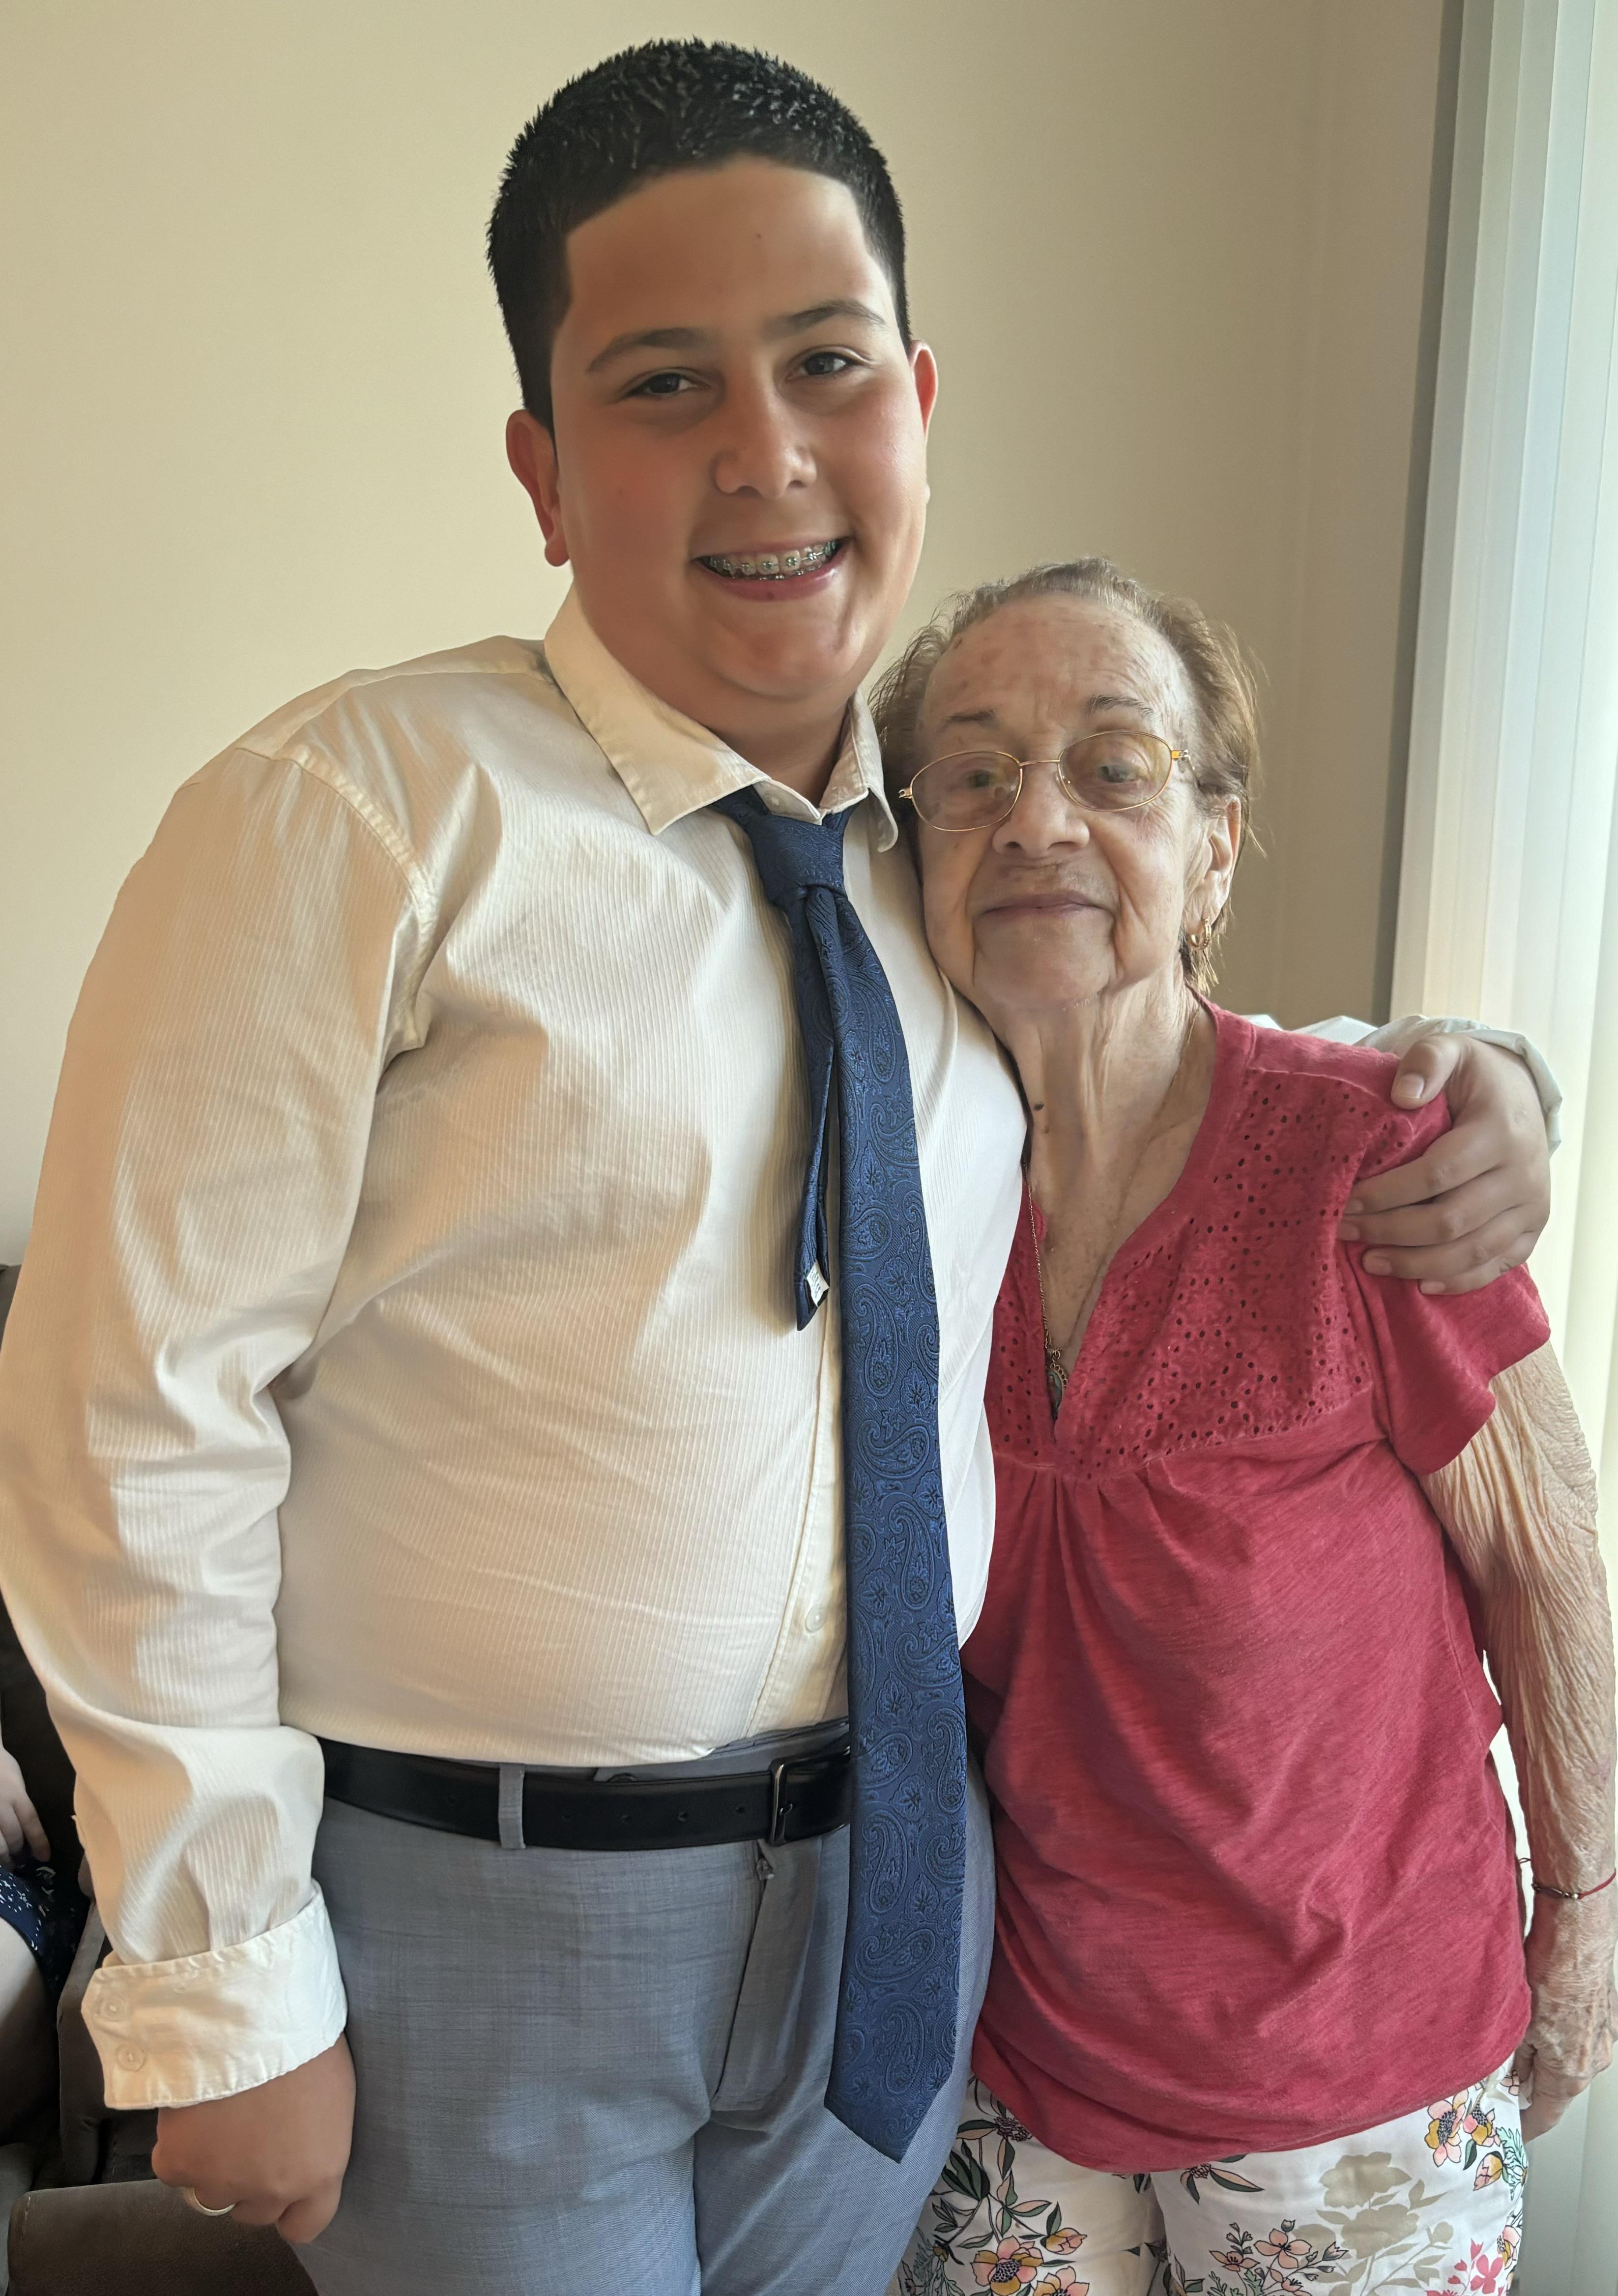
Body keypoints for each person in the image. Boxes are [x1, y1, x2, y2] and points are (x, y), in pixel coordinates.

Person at [0, 43, 1558, 2296]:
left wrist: (1464, 1074)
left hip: (905, 1913)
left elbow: (1171, 1052)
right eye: (660, 387)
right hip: (484, 1913)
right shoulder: (359, 818)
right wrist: (214, 1966)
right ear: (541, 469)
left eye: (828, 366)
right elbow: (130, 1407)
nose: (768, 455)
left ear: (916, 400)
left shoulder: (944, 885)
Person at [876, 560, 1618, 2296]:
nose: (1033, 818)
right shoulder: (903, 1197)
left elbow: (1545, 1544)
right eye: (970, 776)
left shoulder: (1366, 1154)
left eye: (1111, 766)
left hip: (1358, 2076)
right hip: (1020, 2067)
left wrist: (1585, 1913)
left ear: (1212, 846)